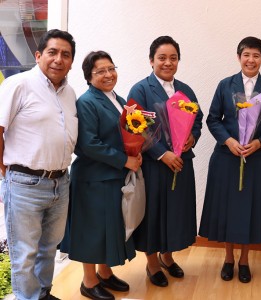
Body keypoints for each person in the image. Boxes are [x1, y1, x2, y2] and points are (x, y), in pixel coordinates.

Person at [199, 36, 261, 283]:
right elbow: (213, 119)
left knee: (250, 210)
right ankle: (228, 258)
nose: (251, 60)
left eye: (256, 55)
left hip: (256, 159)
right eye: (246, 54)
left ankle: (245, 260)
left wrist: (259, 143)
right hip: (227, 157)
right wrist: (229, 141)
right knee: (227, 209)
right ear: (239, 57)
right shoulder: (225, 85)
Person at [0, 29, 77, 300]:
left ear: (71, 61)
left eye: (65, 55)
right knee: (24, 253)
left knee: (49, 248)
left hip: (60, 182)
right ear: (38, 55)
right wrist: (5, 173)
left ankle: (43, 293)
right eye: (52, 52)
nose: (58, 59)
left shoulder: (70, 93)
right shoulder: (18, 84)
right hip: (24, 184)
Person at [60, 51, 142, 300]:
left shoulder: (119, 98)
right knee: (91, 229)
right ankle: (89, 280)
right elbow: (89, 144)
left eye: (111, 68)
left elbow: (129, 131)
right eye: (100, 71)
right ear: (88, 76)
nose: (108, 74)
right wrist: (125, 159)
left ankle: (105, 274)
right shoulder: (87, 102)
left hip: (113, 176)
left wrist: (138, 149)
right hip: (93, 178)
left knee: (109, 227)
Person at [128, 36, 203, 287]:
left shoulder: (185, 90)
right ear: (151, 60)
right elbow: (136, 128)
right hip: (153, 165)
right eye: (162, 58)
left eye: (173, 58)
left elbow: (198, 119)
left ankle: (167, 256)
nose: (167, 63)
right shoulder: (140, 89)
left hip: (182, 163)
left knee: (175, 212)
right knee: (154, 213)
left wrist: (193, 136)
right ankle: (152, 263)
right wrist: (162, 153)